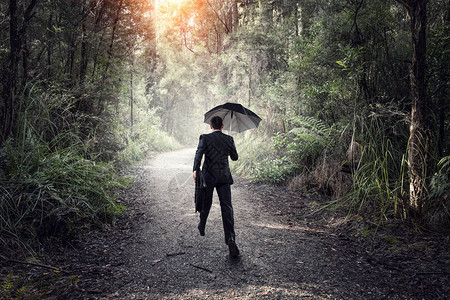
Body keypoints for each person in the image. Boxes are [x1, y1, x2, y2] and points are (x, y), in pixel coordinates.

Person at [193, 116, 240, 258]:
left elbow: (198, 154)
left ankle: (202, 224)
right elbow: (235, 157)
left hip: (209, 177)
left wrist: (195, 169)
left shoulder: (205, 138)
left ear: (211, 126)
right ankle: (230, 238)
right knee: (227, 207)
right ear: (223, 125)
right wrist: (229, 144)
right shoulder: (229, 139)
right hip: (224, 177)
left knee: (206, 202)